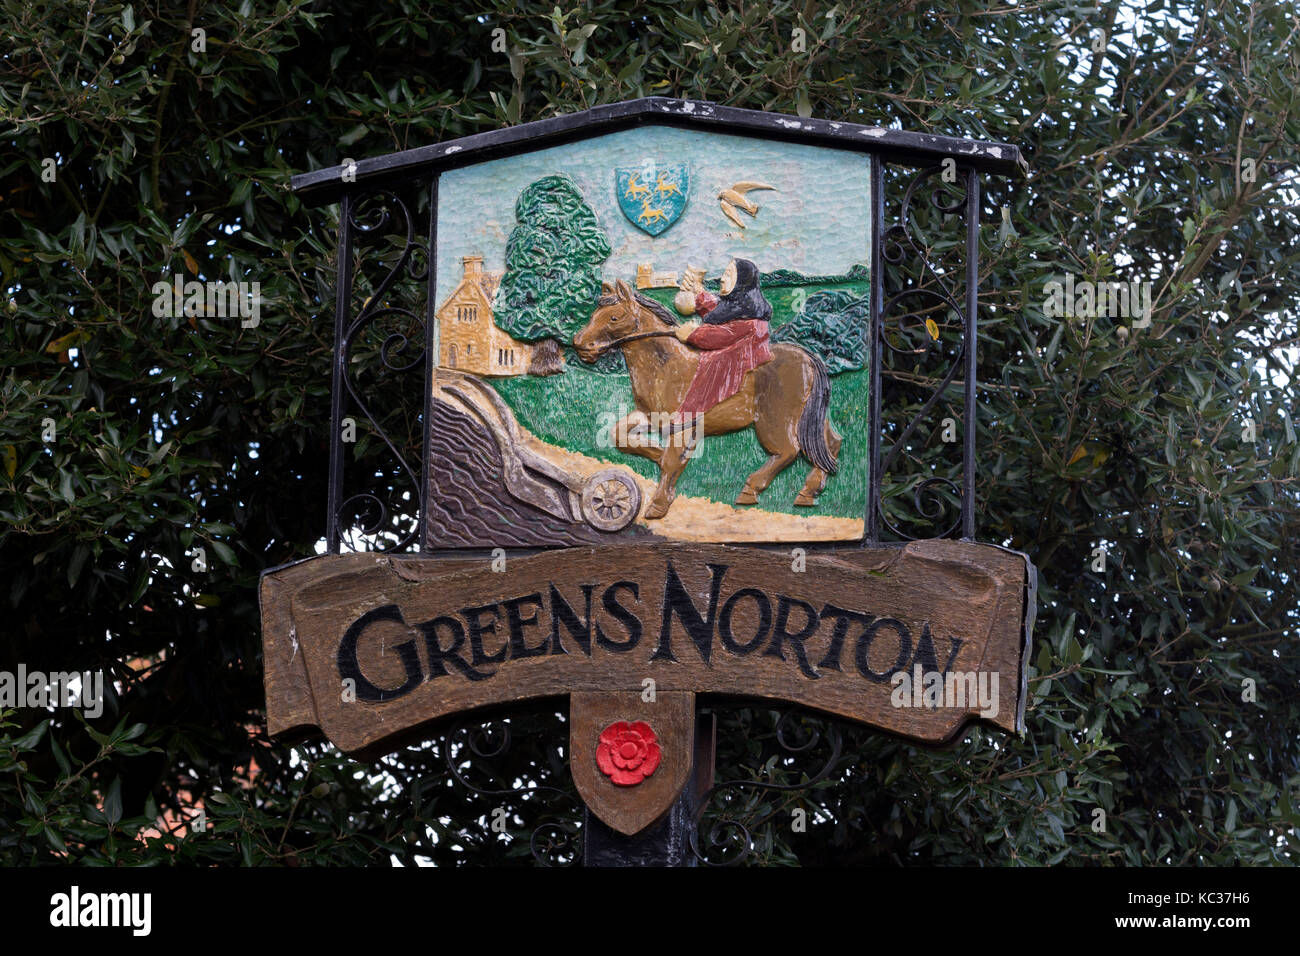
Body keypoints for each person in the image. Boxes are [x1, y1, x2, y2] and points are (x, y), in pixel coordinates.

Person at [672, 258, 773, 420]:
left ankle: (690, 416)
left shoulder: (749, 318)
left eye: (728, 274)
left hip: (741, 361)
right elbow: (718, 311)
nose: (723, 279)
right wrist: (699, 292)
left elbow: (719, 336)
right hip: (738, 351)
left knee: (709, 361)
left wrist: (690, 335)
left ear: (741, 282)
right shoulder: (740, 305)